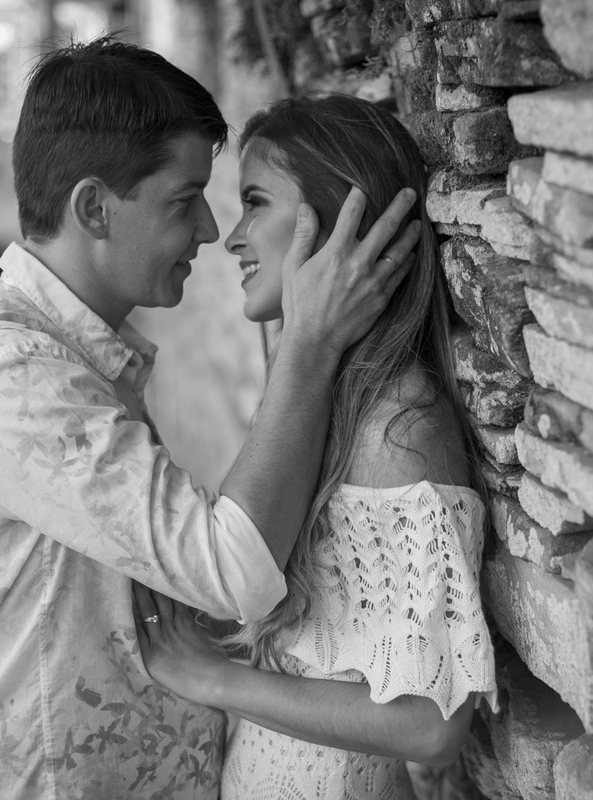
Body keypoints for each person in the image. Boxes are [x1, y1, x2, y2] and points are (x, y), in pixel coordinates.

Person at [0, 40, 419, 800]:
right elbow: (232, 572)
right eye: (184, 201)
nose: (211, 232)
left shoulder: (73, 356)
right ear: (94, 208)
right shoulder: (17, 381)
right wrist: (310, 343)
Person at [133, 93, 499, 800]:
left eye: (255, 204)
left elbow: (431, 723)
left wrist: (211, 678)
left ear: (334, 225)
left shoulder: (398, 426)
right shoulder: (321, 406)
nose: (232, 239)